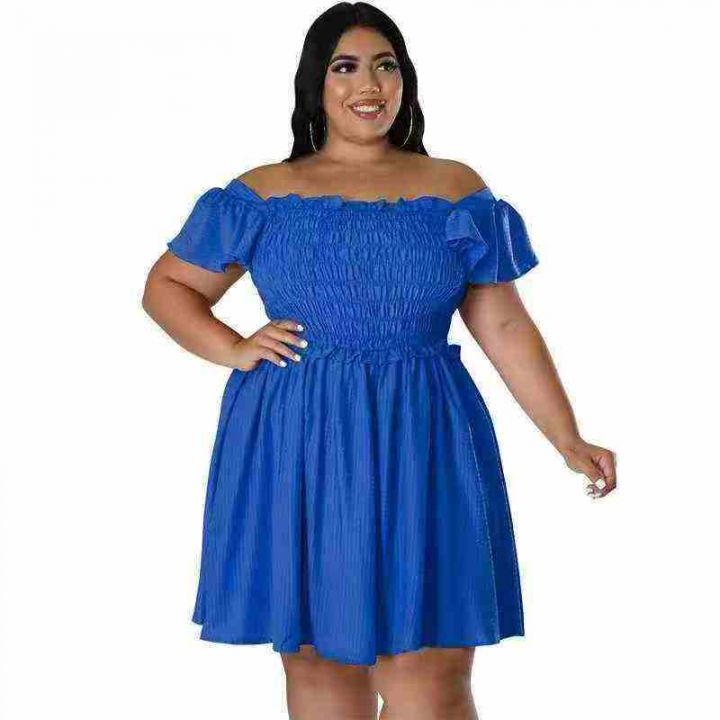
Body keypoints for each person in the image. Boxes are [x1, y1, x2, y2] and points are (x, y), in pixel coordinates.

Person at [142, 3, 617, 718]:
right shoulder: (264, 192)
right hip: (300, 437)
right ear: (316, 83)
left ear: (405, 81)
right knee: (322, 672)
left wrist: (567, 437)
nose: (369, 85)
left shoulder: (453, 187)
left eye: (386, 66)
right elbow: (169, 287)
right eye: (346, 67)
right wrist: (234, 348)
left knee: (434, 681)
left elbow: (503, 321)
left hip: (424, 435)